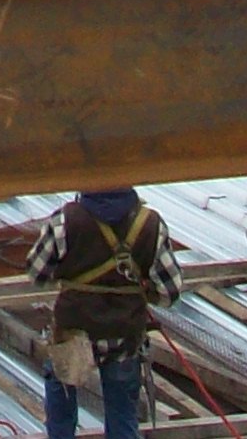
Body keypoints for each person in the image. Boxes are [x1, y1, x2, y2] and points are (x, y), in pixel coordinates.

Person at [26, 187, 183, 439]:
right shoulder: (150, 223)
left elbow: (37, 274)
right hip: (124, 335)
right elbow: (170, 291)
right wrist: (140, 288)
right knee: (122, 414)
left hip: (73, 332)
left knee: (62, 406)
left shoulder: (65, 220)